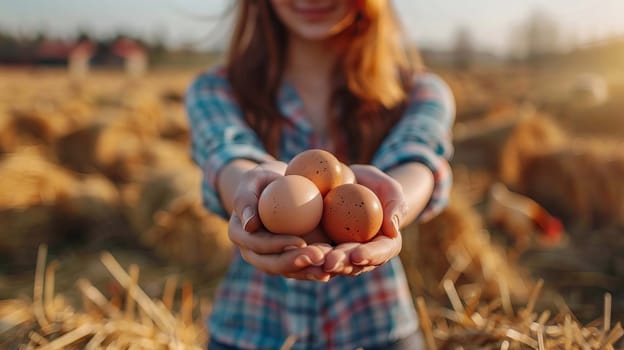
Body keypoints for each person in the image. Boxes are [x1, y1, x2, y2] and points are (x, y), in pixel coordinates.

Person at [185, 1, 455, 349]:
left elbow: (418, 159)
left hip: (377, 331)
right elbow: (228, 156)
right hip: (250, 332)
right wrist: (254, 191)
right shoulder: (215, 89)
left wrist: (388, 206)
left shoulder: (420, 92)